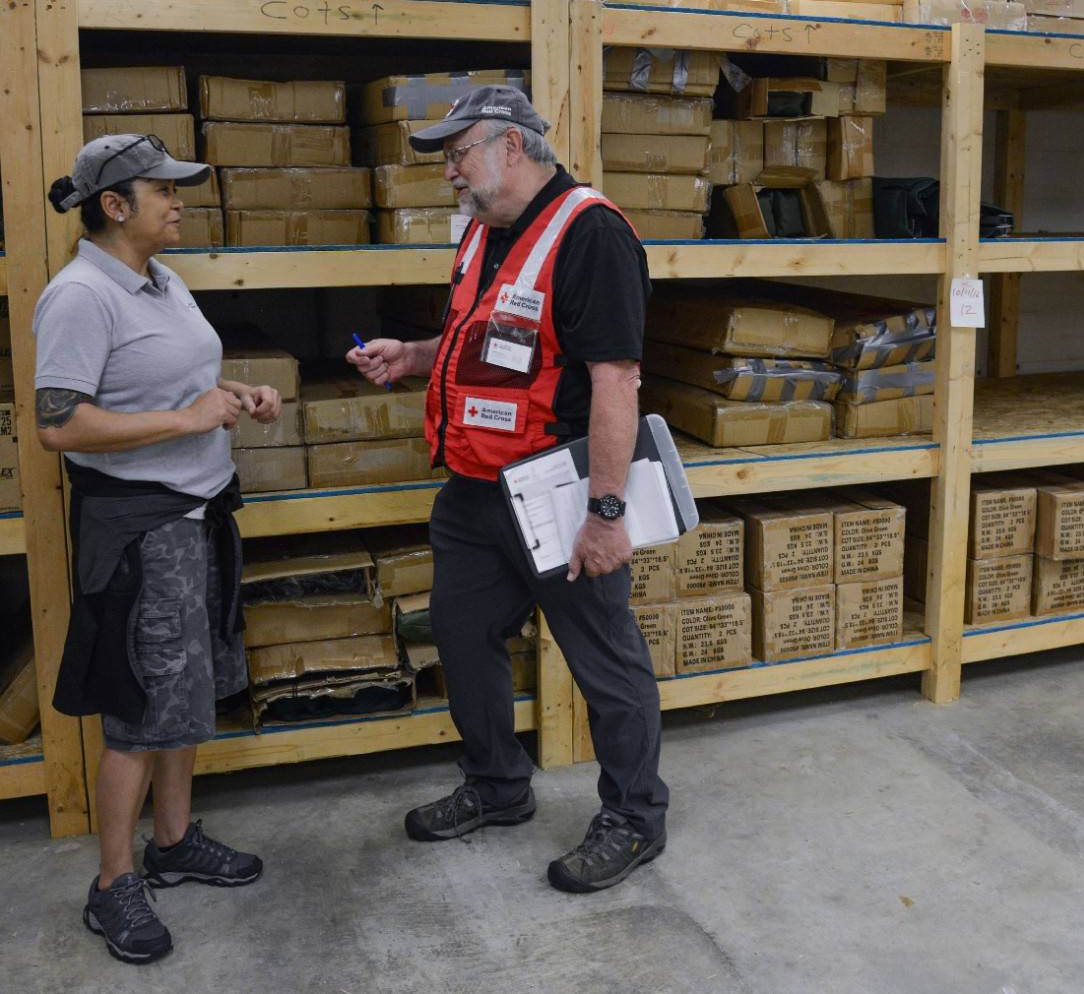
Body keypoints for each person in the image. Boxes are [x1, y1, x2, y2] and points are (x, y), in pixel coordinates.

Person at [347, 86, 669, 893]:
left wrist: (604, 513)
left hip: (556, 491)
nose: (450, 173)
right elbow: (497, 346)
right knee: (459, 635)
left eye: (459, 154)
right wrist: (415, 357)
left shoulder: (589, 232)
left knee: (604, 660)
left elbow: (616, 381)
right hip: (473, 489)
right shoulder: (486, 234)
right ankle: (497, 786)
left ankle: (634, 816)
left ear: (512, 148)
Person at [36, 135, 283, 965]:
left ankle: (172, 843)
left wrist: (230, 394)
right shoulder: (79, 296)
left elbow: (174, 380)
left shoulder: (160, 280)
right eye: (162, 190)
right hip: (141, 529)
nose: (179, 201)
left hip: (198, 510)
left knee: (188, 689)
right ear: (114, 205)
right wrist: (185, 421)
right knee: (140, 710)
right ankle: (112, 885)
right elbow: (59, 423)